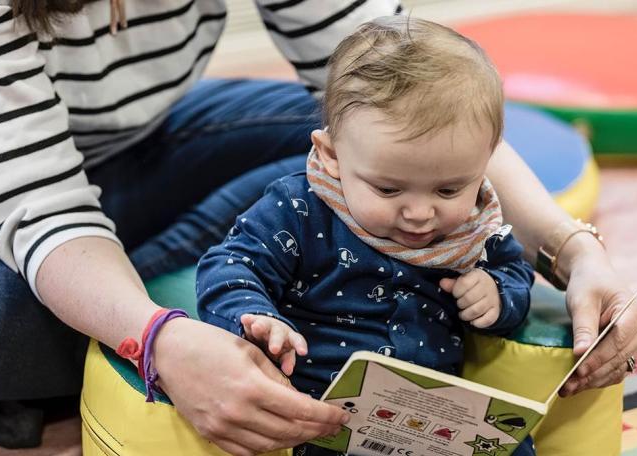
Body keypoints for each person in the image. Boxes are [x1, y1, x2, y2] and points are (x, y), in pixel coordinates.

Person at [0, 1, 637, 455]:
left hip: (145, 139)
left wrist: (570, 250)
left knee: (402, 134)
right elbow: (33, 196)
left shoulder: (377, 176)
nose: (422, 217)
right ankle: (101, 297)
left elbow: (401, 73)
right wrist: (159, 337)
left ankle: (92, 296)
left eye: (447, 196)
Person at [196, 16, 536, 455]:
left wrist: (498, 294)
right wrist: (255, 318)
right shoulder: (299, 209)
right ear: (332, 155)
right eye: (389, 189)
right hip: (317, 413)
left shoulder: (476, 229)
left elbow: (516, 272)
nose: (419, 214)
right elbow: (229, 265)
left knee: (514, 446)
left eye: (448, 189)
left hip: (430, 419)